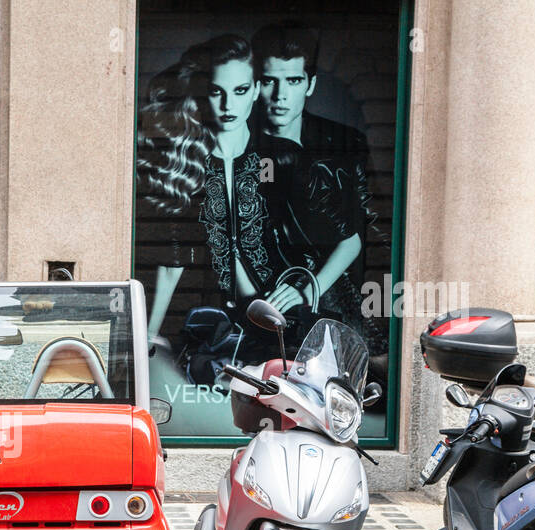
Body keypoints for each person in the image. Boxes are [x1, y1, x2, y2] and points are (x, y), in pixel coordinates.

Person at [138, 35, 274, 341]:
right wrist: (147, 336)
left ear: (255, 90)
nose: (228, 105)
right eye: (216, 92)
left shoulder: (276, 156)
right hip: (202, 320)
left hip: (271, 317)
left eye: (239, 91)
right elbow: (171, 265)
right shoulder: (186, 163)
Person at [250, 22, 376, 347]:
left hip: (342, 302)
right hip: (267, 302)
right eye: (269, 81)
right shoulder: (241, 149)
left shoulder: (346, 143)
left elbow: (373, 233)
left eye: (293, 81)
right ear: (254, 85)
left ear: (310, 84)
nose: (280, 96)